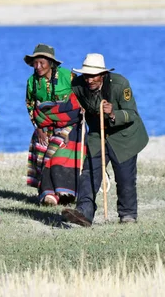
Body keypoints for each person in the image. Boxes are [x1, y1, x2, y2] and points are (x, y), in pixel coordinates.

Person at [62, 53, 149, 227]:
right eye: (86, 75)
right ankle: (84, 213)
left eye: (93, 76)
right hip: (97, 134)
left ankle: (128, 215)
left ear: (102, 74)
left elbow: (132, 114)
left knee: (125, 178)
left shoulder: (120, 84)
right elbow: (70, 102)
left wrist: (112, 113)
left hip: (125, 137)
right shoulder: (78, 85)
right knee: (88, 173)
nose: (89, 80)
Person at [24, 44, 83, 206]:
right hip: (44, 125)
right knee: (42, 154)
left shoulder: (68, 76)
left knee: (57, 155)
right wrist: (39, 128)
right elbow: (30, 106)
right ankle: (48, 193)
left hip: (70, 123)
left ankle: (65, 192)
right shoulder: (32, 82)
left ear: (51, 62)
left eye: (41, 63)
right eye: (35, 63)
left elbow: (80, 96)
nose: (38, 67)